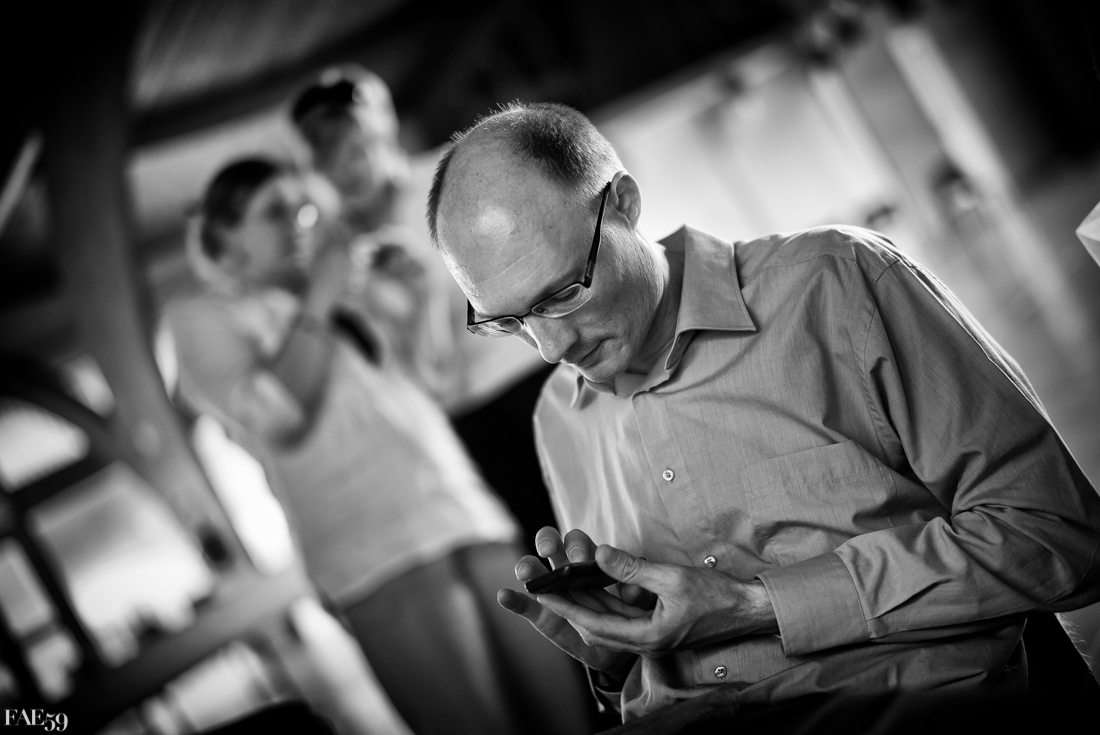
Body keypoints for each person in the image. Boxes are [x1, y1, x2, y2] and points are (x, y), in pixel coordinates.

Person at [425, 102, 1100, 723]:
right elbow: (639, 681)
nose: (551, 348)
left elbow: (1061, 536)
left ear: (624, 204)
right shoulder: (557, 417)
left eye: (564, 292)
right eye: (508, 321)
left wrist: (757, 606)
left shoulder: (838, 284)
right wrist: (616, 658)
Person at [163, 158, 590, 735]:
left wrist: (420, 298)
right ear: (226, 239)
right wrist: (319, 298)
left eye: (303, 209)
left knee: (574, 715)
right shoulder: (202, 317)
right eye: (274, 212)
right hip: (376, 552)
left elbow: (436, 382)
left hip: (466, 513)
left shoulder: (348, 293)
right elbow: (277, 417)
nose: (299, 223)